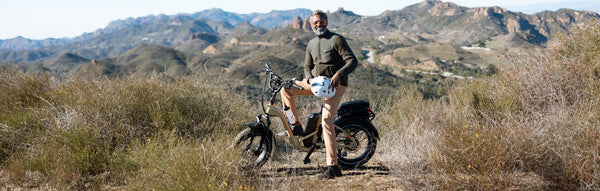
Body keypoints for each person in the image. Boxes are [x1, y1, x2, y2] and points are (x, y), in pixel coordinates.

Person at [281, 9, 358, 179]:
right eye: (315, 23)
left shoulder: (336, 39)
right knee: (286, 89)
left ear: (326, 22)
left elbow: (352, 60)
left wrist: (339, 74)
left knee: (326, 121)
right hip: (316, 84)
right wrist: (308, 79)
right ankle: (295, 126)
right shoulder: (311, 44)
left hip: (334, 85)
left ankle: (333, 167)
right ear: (310, 25)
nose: (318, 25)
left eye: (321, 22)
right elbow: (307, 67)